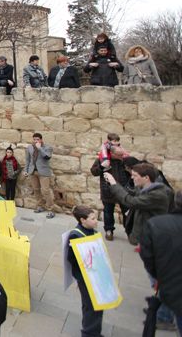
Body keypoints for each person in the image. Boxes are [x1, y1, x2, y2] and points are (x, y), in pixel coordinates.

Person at [140, 190, 182, 333]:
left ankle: (164, 317)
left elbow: (147, 256)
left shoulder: (156, 224)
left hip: (169, 283)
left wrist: (160, 275)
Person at [103, 162, 173, 246]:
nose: (132, 177)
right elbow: (130, 193)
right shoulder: (143, 187)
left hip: (153, 235)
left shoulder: (157, 194)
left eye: (135, 175)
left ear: (146, 178)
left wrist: (114, 184)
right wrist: (112, 183)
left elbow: (131, 201)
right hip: (145, 232)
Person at [66, 206, 103, 337]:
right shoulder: (76, 235)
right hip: (86, 276)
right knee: (92, 305)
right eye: (92, 218)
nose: (96, 221)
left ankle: (92, 331)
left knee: (92, 304)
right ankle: (89, 333)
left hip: (94, 274)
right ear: (83, 220)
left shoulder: (91, 231)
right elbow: (71, 258)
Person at [90, 135, 130, 241]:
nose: (121, 156)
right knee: (108, 212)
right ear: (112, 153)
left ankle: (129, 231)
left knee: (127, 212)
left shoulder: (124, 159)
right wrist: (102, 166)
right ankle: (109, 230)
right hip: (108, 191)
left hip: (123, 191)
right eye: (118, 155)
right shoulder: (102, 159)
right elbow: (93, 172)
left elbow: (132, 172)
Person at [24, 132, 55, 218]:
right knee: (36, 189)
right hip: (33, 172)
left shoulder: (48, 147)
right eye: (34, 139)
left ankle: (51, 209)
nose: (35, 141)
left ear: (41, 140)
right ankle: (40, 206)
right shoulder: (29, 147)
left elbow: (47, 157)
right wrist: (26, 170)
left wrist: (40, 148)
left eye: (37, 139)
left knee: (45, 191)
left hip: (43, 172)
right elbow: (27, 160)